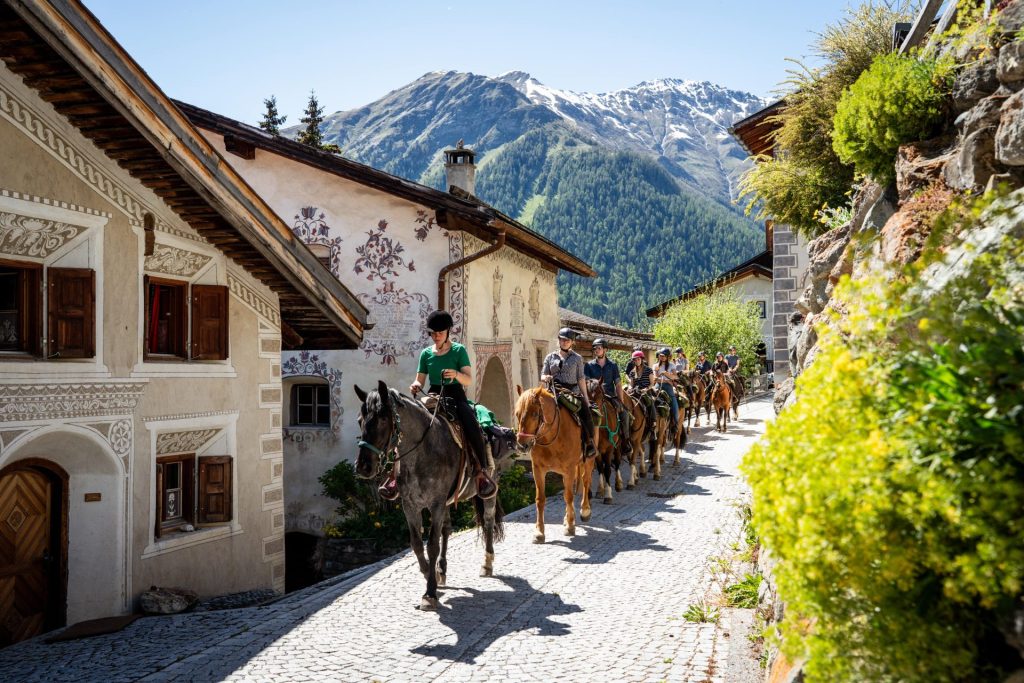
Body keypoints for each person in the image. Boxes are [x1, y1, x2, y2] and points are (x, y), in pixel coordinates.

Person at [379, 310, 496, 501]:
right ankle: (394, 476)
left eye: (439, 333)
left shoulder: (459, 351)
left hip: (455, 395)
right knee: (407, 426)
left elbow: (468, 379)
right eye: (433, 333)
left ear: (448, 331)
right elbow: (420, 380)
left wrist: (456, 375)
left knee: (471, 423)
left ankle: (481, 472)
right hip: (432, 395)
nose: (436, 337)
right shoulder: (426, 354)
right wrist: (416, 385)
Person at [541, 328, 598, 458]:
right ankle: (535, 440)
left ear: (572, 342)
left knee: (585, 412)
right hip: (553, 390)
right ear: (559, 340)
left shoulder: (577, 358)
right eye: (562, 339)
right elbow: (543, 375)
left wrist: (586, 399)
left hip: (572, 391)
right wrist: (546, 378)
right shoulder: (550, 357)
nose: (565, 342)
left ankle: (589, 443)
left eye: (567, 340)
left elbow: (581, 378)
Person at [584, 338, 632, 457]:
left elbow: (618, 384)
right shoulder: (589, 365)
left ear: (605, 349)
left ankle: (625, 441)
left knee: (625, 414)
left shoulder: (613, 365)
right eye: (595, 348)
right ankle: (587, 443)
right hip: (594, 399)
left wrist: (620, 400)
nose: (596, 350)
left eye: (599, 348)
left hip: (610, 396)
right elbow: (586, 383)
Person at [653, 347, 679, 430]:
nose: (661, 357)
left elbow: (676, 377)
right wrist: (667, 380)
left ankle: (675, 422)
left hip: (668, 387)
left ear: (668, 357)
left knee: (674, 402)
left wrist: (666, 374)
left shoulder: (672, 365)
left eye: (663, 356)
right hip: (658, 386)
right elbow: (655, 378)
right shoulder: (655, 365)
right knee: (651, 400)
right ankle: (651, 423)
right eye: (660, 355)